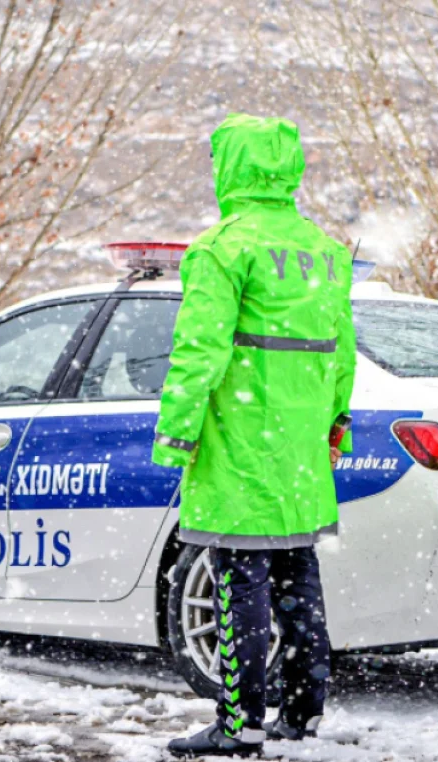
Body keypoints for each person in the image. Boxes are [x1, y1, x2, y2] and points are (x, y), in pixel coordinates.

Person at [151, 113, 356, 759]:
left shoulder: (221, 248)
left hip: (240, 441)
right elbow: (342, 352)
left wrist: (177, 433)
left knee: (242, 579)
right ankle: (303, 709)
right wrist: (335, 424)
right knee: (299, 574)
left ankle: (239, 722)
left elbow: (198, 350)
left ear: (230, 168)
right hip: (300, 446)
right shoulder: (324, 250)